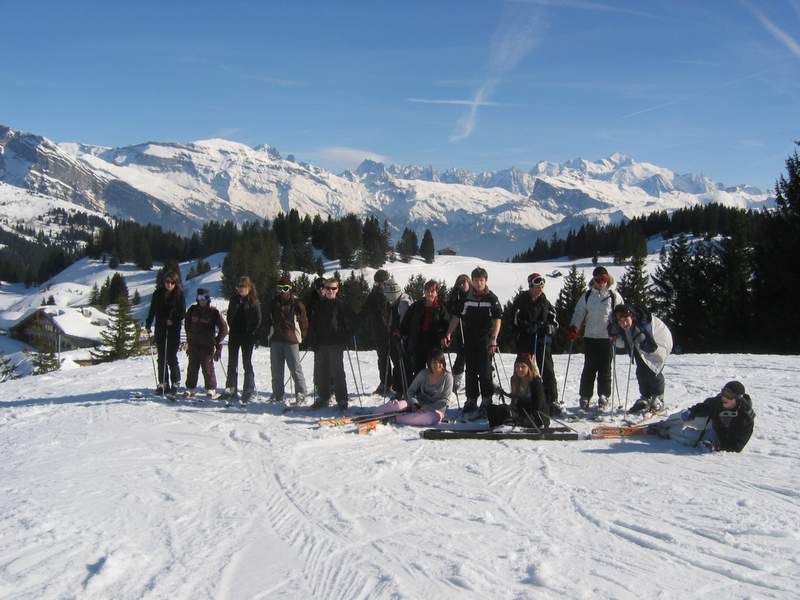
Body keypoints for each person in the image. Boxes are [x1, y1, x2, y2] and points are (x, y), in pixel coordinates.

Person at [443, 266, 502, 415]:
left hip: (485, 340)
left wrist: (493, 339)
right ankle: (471, 400)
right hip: (469, 339)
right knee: (470, 371)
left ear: (485, 280)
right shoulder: (466, 298)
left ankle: (487, 400)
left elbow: (497, 319)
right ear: (472, 281)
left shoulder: (492, 298)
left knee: (485, 371)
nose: (478, 283)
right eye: (476, 280)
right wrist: (449, 333)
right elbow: (456, 317)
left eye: (481, 280)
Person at [568, 266, 623, 412]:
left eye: (604, 279)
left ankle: (603, 396)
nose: (601, 282)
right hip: (591, 337)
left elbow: (621, 313)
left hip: (607, 338)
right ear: (594, 280)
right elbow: (579, 312)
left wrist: (617, 329)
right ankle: (585, 396)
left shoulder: (614, 295)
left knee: (605, 369)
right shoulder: (587, 296)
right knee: (589, 368)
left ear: (608, 279)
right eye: (598, 279)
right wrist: (575, 327)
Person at [652, 381, 755, 452]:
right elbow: (705, 405)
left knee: (690, 437)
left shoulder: (745, 417)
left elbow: (737, 446)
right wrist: (692, 411)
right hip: (713, 422)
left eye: (729, 396)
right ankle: (664, 424)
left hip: (720, 438)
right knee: (683, 416)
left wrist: (717, 447)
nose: (724, 398)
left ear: (738, 399)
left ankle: (666, 431)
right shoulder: (719, 401)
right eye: (724, 393)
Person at [511, 272, 561, 415]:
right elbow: (514, 318)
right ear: (531, 286)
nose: (540, 288)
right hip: (525, 340)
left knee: (547, 369)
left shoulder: (545, 302)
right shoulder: (521, 300)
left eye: (542, 285)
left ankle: (551, 399)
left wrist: (549, 328)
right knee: (522, 369)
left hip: (541, 341)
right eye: (537, 285)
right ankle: (518, 398)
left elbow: (554, 320)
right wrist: (525, 326)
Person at [607, 304, 673, 414]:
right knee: (641, 370)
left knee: (653, 370)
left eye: (626, 320)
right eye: (620, 321)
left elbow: (651, 347)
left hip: (659, 342)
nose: (624, 323)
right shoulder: (622, 326)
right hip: (641, 345)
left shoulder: (642, 324)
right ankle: (645, 397)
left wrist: (641, 339)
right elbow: (622, 344)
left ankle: (658, 398)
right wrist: (614, 336)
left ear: (631, 316)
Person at [307, 277, 357, 410]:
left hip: (336, 343)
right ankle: (323, 398)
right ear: (324, 289)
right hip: (321, 343)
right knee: (321, 371)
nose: (330, 291)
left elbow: (353, 323)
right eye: (327, 288)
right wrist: (312, 339)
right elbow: (313, 324)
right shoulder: (318, 305)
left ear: (337, 290)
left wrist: (345, 337)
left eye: (333, 288)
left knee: (337, 372)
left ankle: (342, 399)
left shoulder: (342, 305)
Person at [372, 350, 452, 427]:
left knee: (429, 418)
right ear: (429, 363)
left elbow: (445, 401)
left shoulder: (448, 377)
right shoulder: (424, 373)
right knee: (398, 405)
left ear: (443, 363)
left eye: (440, 362)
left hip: (436, 410)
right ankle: (375, 414)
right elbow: (411, 391)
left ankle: (395, 419)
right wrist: (415, 403)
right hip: (418, 404)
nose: (437, 365)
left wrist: (428, 407)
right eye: (434, 362)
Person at [265, 275, 309, 405]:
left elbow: (304, 322)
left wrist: (302, 336)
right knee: (276, 369)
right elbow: (267, 321)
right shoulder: (273, 303)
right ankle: (277, 394)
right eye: (280, 288)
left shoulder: (297, 304)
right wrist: (266, 335)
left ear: (290, 289)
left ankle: (301, 393)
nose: (282, 291)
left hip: (291, 340)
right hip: (276, 339)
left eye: (285, 288)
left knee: (295, 368)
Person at [400, 280, 450, 381]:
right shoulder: (417, 305)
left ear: (436, 293)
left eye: (432, 291)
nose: (430, 293)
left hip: (434, 341)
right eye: (427, 291)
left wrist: (445, 336)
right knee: (419, 369)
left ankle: (438, 389)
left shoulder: (440, 307)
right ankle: (419, 391)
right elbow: (407, 320)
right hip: (419, 340)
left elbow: (446, 324)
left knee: (436, 367)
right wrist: (401, 332)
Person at [145, 270, 186, 395]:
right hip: (160, 327)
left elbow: (182, 312)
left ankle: (175, 382)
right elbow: (152, 309)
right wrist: (148, 323)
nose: (169, 284)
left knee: (171, 356)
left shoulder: (179, 295)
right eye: (167, 282)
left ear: (176, 283)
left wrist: (172, 320)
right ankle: (163, 383)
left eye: (172, 282)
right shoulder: (158, 293)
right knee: (161, 357)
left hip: (173, 328)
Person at [223, 275, 262, 403]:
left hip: (248, 336)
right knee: (232, 362)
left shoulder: (254, 301)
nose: (240, 289)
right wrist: (232, 326)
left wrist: (254, 334)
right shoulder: (234, 299)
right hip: (234, 334)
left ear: (249, 288)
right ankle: (231, 388)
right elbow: (229, 315)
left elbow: (258, 320)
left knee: (247, 363)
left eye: (243, 287)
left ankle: (248, 390)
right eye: (238, 286)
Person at [183, 288, 228, 399]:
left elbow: (224, 329)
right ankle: (190, 388)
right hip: (193, 344)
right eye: (200, 298)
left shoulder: (213, 312)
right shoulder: (192, 310)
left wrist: (216, 341)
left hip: (207, 345)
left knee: (207, 367)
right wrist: (189, 337)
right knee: (192, 367)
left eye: (204, 298)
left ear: (208, 299)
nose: (202, 300)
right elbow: (187, 324)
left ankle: (211, 389)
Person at [360, 269, 394, 395]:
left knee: (395, 358)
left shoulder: (391, 292)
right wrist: (354, 321)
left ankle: (396, 383)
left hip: (392, 330)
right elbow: (365, 310)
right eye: (379, 282)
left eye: (383, 282)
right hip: (379, 331)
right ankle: (385, 383)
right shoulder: (374, 295)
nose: (381, 285)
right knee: (383, 358)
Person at [382, 278, 412, 397]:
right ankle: (399, 389)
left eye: (389, 295)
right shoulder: (394, 302)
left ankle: (405, 391)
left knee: (403, 364)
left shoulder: (403, 302)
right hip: (394, 337)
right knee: (397, 364)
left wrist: (401, 334)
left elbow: (405, 321)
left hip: (402, 338)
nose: (388, 298)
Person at [506, 354, 550, 429]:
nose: (519, 369)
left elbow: (540, 402)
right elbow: (515, 400)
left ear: (529, 368)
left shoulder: (536, 381)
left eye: (523, 367)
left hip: (537, 414)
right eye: (517, 367)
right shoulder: (514, 380)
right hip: (523, 411)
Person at [445, 274, 471, 393]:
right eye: (460, 283)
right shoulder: (456, 296)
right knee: (462, 355)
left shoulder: (474, 294)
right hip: (460, 330)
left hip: (473, 329)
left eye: (464, 282)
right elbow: (450, 310)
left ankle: (487, 379)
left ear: (469, 282)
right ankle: (456, 382)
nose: (462, 285)